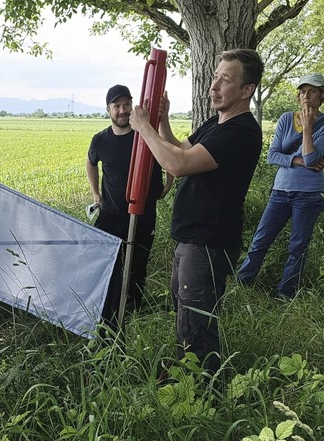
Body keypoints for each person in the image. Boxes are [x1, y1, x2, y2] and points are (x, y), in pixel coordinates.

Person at [129, 49, 264, 373]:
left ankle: (204, 396)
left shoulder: (240, 131)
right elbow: (178, 148)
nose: (214, 85)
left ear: (247, 90)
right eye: (215, 77)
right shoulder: (216, 124)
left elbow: (177, 164)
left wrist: (144, 127)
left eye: (225, 80)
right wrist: (161, 121)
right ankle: (191, 381)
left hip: (208, 243)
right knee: (186, 313)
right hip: (192, 238)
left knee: (195, 326)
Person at [237, 73, 324, 298]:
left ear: (322, 95)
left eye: (312, 91)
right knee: (261, 239)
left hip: (309, 195)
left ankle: (285, 294)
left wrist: (309, 127)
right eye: (303, 91)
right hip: (280, 192)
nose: (306, 96)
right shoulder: (285, 119)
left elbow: (313, 159)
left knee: (297, 247)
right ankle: (242, 283)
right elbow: (272, 155)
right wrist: (297, 160)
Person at [87, 84, 173, 325]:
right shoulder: (100, 140)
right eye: (117, 106)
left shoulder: (146, 134)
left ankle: (133, 306)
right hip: (111, 213)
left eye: (126, 105)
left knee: (137, 262)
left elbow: (167, 152)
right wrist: (96, 192)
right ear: (108, 110)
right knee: (108, 260)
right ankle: (107, 304)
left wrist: (168, 183)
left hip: (144, 212)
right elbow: (91, 163)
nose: (122, 110)